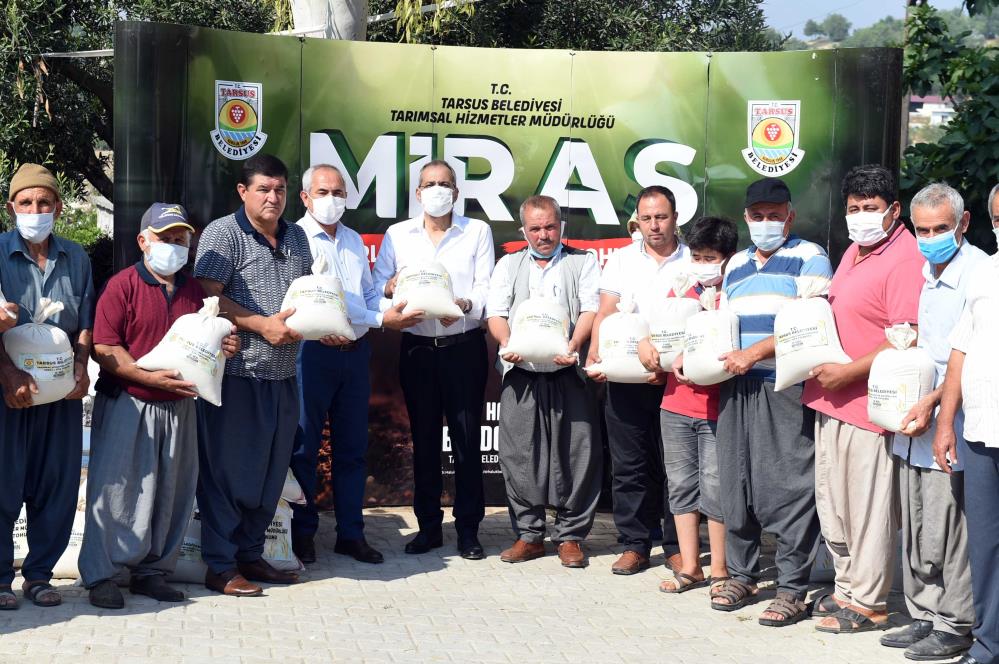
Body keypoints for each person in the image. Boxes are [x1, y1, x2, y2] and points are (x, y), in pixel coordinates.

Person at [79, 203, 242, 608]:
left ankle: (153, 572)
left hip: (180, 406)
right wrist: (145, 376)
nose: (173, 245)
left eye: (179, 239)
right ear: (143, 241)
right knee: (117, 490)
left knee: (173, 490)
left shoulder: (194, 292)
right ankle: (102, 575)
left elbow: (207, 344)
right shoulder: (122, 286)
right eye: (164, 238)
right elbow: (105, 347)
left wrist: (226, 346)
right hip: (129, 402)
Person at [802, 164, 924, 633]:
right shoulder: (856, 249)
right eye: (853, 208)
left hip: (868, 405)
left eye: (870, 208)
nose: (860, 216)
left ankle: (870, 603)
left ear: (894, 210)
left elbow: (905, 336)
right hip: (831, 399)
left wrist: (848, 373)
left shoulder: (905, 257)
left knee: (867, 509)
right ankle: (846, 589)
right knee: (835, 505)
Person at [708, 178, 828, 627]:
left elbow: (812, 325)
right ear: (746, 218)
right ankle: (742, 576)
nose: (765, 223)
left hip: (784, 386)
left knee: (789, 485)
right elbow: (721, 324)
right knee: (736, 482)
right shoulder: (736, 265)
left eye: (774, 216)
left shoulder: (810, 257)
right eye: (757, 216)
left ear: (789, 217)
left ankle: (792, 588)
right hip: (736, 386)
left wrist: (755, 353)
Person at [290, 165, 422, 565]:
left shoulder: (351, 240)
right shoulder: (294, 239)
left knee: (351, 450)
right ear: (305, 198)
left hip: (354, 354)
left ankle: (351, 533)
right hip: (312, 354)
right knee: (304, 448)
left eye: (339, 192)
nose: (332, 200)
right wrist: (382, 319)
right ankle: (301, 534)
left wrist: (398, 306)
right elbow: (312, 302)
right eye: (323, 192)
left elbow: (365, 296)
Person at [194, 154, 312, 596]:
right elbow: (206, 297)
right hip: (237, 375)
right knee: (229, 476)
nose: (273, 198)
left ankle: (249, 555)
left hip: (283, 375)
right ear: (243, 191)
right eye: (263, 189)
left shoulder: (297, 236)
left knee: (269, 474)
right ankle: (220, 566)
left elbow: (305, 294)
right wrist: (261, 324)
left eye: (280, 189)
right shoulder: (223, 234)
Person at [877, 183, 985, 658]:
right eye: (921, 230)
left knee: (951, 525)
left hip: (953, 419)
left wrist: (937, 403)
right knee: (917, 520)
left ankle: (955, 622)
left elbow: (969, 357)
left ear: (963, 224)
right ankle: (923, 612)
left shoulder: (978, 273)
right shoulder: (925, 271)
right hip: (915, 417)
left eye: (940, 228)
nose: (930, 238)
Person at [372, 159, 495, 560]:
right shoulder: (398, 235)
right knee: (424, 441)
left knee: (466, 441)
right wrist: (390, 291)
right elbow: (376, 288)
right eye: (430, 184)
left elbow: (486, 287)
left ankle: (468, 529)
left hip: (464, 347)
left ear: (456, 193)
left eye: (445, 184)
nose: (437, 190)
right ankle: (428, 528)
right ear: (418, 192)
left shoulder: (477, 231)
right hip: (418, 350)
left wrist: (464, 305)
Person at [486, 195, 602, 568]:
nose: (544, 235)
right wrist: (508, 344)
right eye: (535, 228)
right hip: (522, 373)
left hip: (568, 371)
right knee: (519, 454)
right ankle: (529, 535)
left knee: (576, 454)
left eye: (550, 226)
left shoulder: (582, 262)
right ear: (524, 230)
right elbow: (496, 313)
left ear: (560, 226)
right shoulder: (508, 264)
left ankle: (570, 537)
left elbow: (590, 309)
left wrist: (573, 345)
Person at [0, 163, 95, 609]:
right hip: (8, 395)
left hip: (60, 395)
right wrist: (7, 372)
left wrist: (82, 366)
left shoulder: (76, 257)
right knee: (4, 482)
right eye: (26, 202)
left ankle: (39, 576)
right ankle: (1, 579)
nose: (35, 210)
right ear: (11, 208)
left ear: (58, 207)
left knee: (57, 485)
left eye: (43, 202)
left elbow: (85, 321)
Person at [585, 185, 687, 575]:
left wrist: (666, 366)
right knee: (629, 466)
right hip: (626, 380)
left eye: (661, 217)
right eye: (646, 218)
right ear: (637, 222)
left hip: (677, 381)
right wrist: (596, 351)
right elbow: (606, 311)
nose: (654, 225)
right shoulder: (622, 260)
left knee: (676, 468)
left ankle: (677, 546)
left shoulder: (692, 259)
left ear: (675, 218)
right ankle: (635, 544)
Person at [637, 216, 737, 596]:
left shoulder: (735, 293)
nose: (702, 264)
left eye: (711, 258)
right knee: (680, 485)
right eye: (696, 256)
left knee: (715, 488)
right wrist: (646, 346)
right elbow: (654, 331)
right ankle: (691, 566)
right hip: (675, 404)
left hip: (718, 408)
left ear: (728, 258)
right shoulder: (680, 289)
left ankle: (721, 569)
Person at [933, 182, 999, 664]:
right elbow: (960, 350)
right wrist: (945, 423)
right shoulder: (986, 273)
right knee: (986, 545)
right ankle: (988, 644)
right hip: (980, 432)